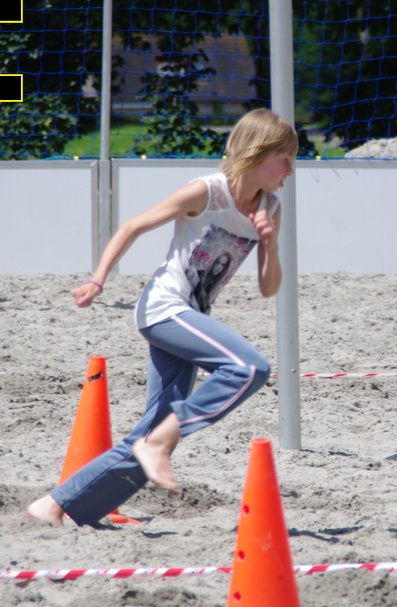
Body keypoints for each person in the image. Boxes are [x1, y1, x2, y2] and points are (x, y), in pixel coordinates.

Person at [27, 108, 298, 527]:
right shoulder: (207, 191)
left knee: (151, 433)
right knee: (249, 368)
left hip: (190, 316)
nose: (291, 171)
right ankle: (163, 440)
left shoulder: (270, 208)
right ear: (258, 153)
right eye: (285, 160)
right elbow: (132, 227)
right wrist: (98, 279)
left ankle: (56, 505)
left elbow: (268, 287)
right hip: (164, 308)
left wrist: (270, 243)